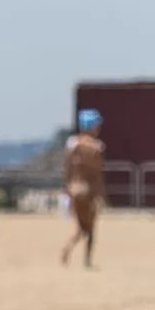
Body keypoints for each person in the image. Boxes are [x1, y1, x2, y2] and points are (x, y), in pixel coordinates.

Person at [59, 110, 105, 267]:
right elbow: (98, 174)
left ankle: (68, 249)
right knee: (90, 229)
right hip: (88, 190)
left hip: (74, 189)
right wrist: (101, 194)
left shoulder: (73, 144)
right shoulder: (96, 147)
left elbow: (66, 169)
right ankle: (87, 260)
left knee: (81, 226)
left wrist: (66, 188)